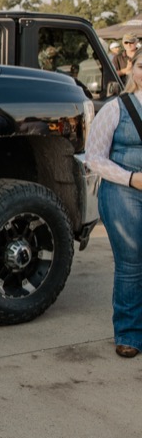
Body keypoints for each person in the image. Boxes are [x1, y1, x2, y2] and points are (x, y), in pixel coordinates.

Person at [84, 56, 142, 358]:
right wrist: (131, 178)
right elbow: (94, 157)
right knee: (131, 264)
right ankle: (129, 334)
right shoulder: (116, 108)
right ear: (133, 70)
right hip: (123, 192)